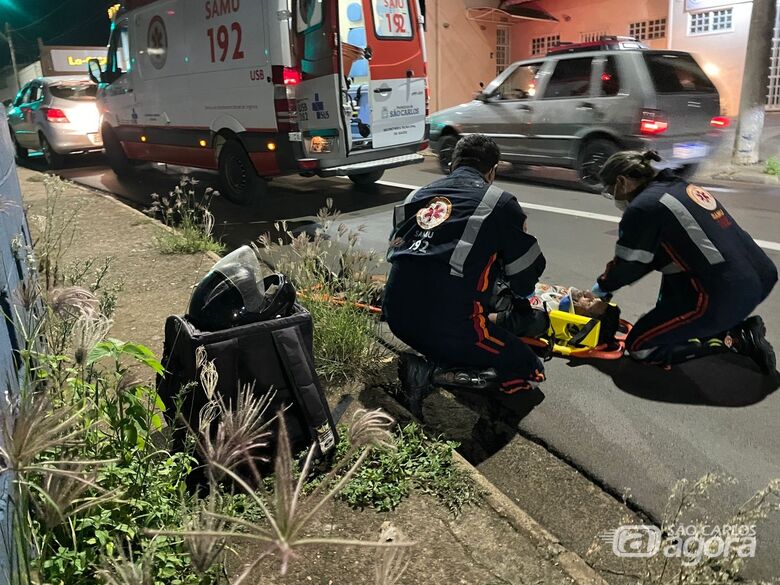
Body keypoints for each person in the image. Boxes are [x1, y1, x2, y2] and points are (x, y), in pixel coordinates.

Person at [383, 134, 548, 398]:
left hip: (396, 317)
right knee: (530, 371)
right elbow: (524, 275)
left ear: (452, 164)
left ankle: (444, 356)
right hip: (448, 327)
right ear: (492, 170)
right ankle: (434, 374)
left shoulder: (415, 197)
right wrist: (523, 302)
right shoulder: (499, 203)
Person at [593, 150, 777, 373]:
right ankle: (720, 323)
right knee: (671, 261)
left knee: (641, 347)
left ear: (621, 182)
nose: (614, 197)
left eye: (611, 191)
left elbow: (629, 265)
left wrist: (602, 287)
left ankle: (736, 338)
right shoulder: (679, 187)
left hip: (728, 293)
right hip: (760, 277)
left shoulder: (643, 207)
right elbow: (656, 256)